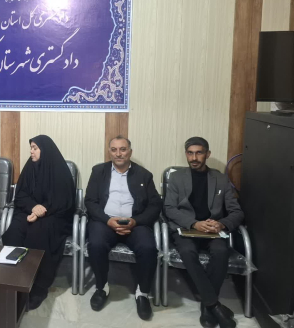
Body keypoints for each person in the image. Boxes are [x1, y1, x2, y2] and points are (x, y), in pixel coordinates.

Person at [164, 137, 244, 328]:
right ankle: (213, 305)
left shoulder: (221, 179)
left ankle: (207, 306)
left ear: (207, 154)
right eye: (190, 153)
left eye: (199, 153)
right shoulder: (176, 177)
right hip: (186, 228)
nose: (194, 158)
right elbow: (169, 208)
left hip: (212, 230)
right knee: (188, 251)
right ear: (186, 154)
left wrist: (221, 224)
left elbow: (237, 212)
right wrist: (194, 223)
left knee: (221, 251)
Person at [84, 135, 162, 320]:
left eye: (123, 149)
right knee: (95, 244)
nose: (118, 154)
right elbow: (90, 201)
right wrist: (107, 220)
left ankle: (142, 293)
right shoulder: (98, 171)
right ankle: (102, 287)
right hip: (105, 221)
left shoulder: (144, 175)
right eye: (114, 150)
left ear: (130, 152)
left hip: (135, 223)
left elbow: (155, 205)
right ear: (109, 152)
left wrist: (136, 221)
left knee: (148, 248)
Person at [2, 135, 76, 310]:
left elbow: (65, 201)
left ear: (45, 149)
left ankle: (38, 287)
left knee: (38, 235)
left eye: (35, 148)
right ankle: (14, 280)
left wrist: (43, 211)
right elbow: (20, 195)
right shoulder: (30, 168)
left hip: (55, 216)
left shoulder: (60, 170)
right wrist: (33, 207)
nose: (31, 151)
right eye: (31, 148)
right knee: (13, 232)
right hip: (30, 211)